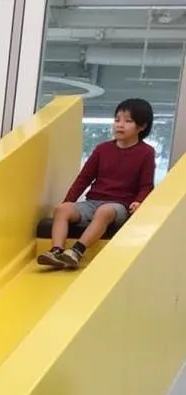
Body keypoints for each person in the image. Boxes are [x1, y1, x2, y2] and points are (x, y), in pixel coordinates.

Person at [37, 97, 155, 270]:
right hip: (92, 202)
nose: (119, 125)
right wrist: (68, 201)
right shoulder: (102, 149)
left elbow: (146, 185)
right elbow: (83, 179)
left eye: (128, 121)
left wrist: (139, 201)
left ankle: (77, 251)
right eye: (117, 120)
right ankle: (56, 251)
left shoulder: (146, 152)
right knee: (62, 210)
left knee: (104, 211)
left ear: (142, 126)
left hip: (118, 206)